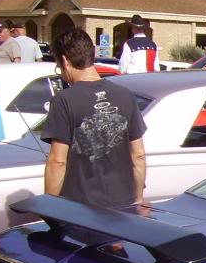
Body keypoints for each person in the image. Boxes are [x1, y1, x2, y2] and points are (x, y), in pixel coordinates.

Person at [43, 28, 146, 207]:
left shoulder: (64, 100)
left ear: (65, 61)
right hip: (123, 204)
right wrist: (137, 198)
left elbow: (57, 161)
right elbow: (138, 155)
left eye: (59, 67)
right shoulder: (125, 95)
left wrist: (49, 207)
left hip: (81, 207)